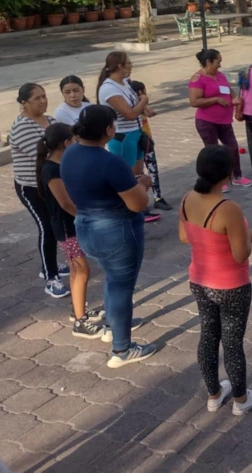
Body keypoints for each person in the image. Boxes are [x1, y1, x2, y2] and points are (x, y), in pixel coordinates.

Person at [61, 105, 158, 368]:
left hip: (86, 227)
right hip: (116, 231)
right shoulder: (110, 161)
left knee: (112, 280)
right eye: (113, 125)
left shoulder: (70, 153)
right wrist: (143, 184)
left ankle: (111, 325)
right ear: (107, 130)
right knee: (120, 287)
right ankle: (122, 349)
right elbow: (138, 204)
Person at [179, 145, 252, 415]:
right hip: (231, 285)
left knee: (208, 335)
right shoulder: (228, 207)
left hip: (199, 280)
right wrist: (247, 234)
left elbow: (185, 237)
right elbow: (241, 254)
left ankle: (214, 394)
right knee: (232, 342)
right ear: (228, 173)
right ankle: (241, 400)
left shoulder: (186, 199)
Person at [37, 123, 101, 337]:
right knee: (81, 270)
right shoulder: (51, 170)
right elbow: (64, 203)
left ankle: (78, 310)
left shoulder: (58, 164)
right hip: (66, 227)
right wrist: (87, 216)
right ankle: (80, 323)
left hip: (70, 225)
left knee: (78, 270)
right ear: (66, 143)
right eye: (74, 140)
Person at [9, 83, 69, 298]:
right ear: (24, 103)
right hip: (31, 187)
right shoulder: (21, 126)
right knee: (47, 228)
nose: (43, 101)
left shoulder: (51, 120)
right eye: (37, 98)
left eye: (44, 96)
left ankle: (50, 263)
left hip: (51, 183)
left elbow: (64, 144)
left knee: (55, 224)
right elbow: (45, 155)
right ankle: (50, 276)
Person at [97, 52, 160, 222]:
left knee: (138, 175)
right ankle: (129, 211)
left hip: (135, 133)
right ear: (120, 66)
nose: (132, 65)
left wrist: (145, 109)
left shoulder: (124, 82)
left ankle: (140, 209)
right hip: (123, 137)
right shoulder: (109, 88)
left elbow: (134, 103)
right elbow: (130, 113)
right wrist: (144, 100)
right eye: (129, 63)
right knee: (127, 178)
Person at [189, 49, 252, 190]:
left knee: (233, 147)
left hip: (225, 121)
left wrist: (234, 99)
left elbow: (228, 90)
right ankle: (216, 180)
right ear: (208, 62)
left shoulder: (220, 75)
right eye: (218, 62)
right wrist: (216, 100)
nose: (220, 65)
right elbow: (194, 101)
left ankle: (236, 176)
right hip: (207, 122)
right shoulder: (197, 79)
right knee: (213, 152)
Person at [130, 80, 171, 212]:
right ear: (140, 93)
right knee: (140, 172)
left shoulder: (141, 107)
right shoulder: (131, 107)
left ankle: (157, 197)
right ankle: (144, 201)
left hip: (146, 139)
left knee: (151, 169)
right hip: (137, 141)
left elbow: (147, 112)